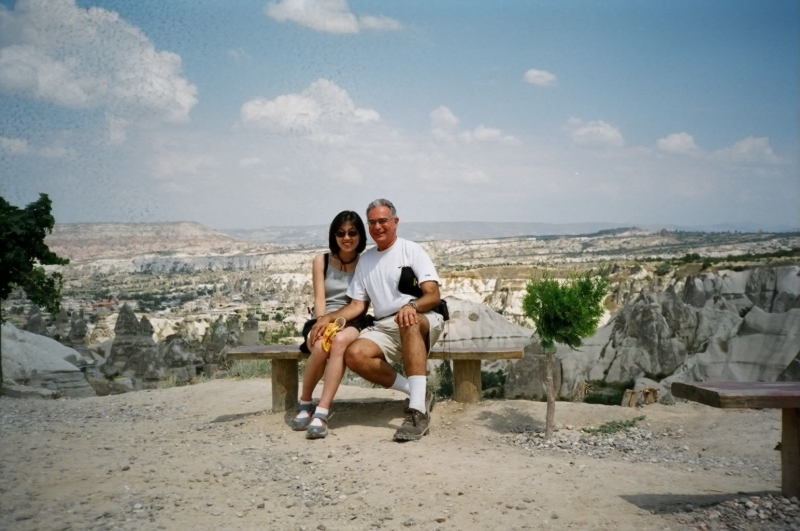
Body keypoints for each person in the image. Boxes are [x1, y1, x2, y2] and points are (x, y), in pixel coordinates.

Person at [310, 199, 444, 441]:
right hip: (385, 324)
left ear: (395, 222)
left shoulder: (411, 250)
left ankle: (417, 412)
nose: (378, 227)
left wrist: (411, 306)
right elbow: (358, 305)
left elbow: (433, 295)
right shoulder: (367, 261)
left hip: (421, 317)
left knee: (409, 320)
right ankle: (418, 394)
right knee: (354, 354)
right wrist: (327, 319)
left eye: (383, 221)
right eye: (372, 222)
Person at [292, 211, 369, 439]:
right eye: (341, 233)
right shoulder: (321, 261)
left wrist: (335, 323)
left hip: (353, 320)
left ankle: (322, 410)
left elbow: (361, 305)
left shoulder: (365, 263)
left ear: (360, 235)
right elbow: (319, 299)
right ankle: (305, 402)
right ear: (333, 235)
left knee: (336, 343)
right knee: (319, 345)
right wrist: (322, 322)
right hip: (322, 319)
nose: (347, 238)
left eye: (352, 233)